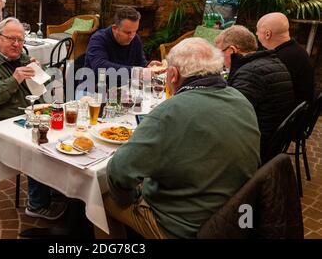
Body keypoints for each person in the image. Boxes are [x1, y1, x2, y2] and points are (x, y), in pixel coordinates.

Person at [103, 37, 261, 239]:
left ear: (173, 75)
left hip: (182, 227)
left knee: (101, 197)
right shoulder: (241, 99)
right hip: (231, 217)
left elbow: (118, 172)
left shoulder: (170, 111)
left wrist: (131, 199)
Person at [0, 17, 67, 220]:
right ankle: (36, 204)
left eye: (21, 40)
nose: (17, 44)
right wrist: (14, 79)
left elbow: (41, 88)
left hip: (26, 114)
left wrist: (38, 71)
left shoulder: (20, 57)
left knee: (63, 131)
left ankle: (55, 186)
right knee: (40, 143)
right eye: (11, 39)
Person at [215, 25, 295, 162]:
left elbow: (230, 118)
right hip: (273, 138)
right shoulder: (272, 61)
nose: (220, 60)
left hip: (257, 146)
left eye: (220, 54)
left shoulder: (250, 74)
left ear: (232, 50)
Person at [85, 6, 162, 79]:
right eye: (127, 32)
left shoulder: (135, 39)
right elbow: (100, 67)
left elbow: (140, 61)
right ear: (115, 28)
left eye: (135, 31)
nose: (131, 36)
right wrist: (135, 72)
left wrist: (147, 66)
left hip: (121, 88)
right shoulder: (98, 39)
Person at [256, 12, 314, 105]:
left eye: (257, 30)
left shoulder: (279, 59)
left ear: (268, 34)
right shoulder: (297, 50)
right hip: (301, 112)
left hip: (289, 115)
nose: (256, 34)